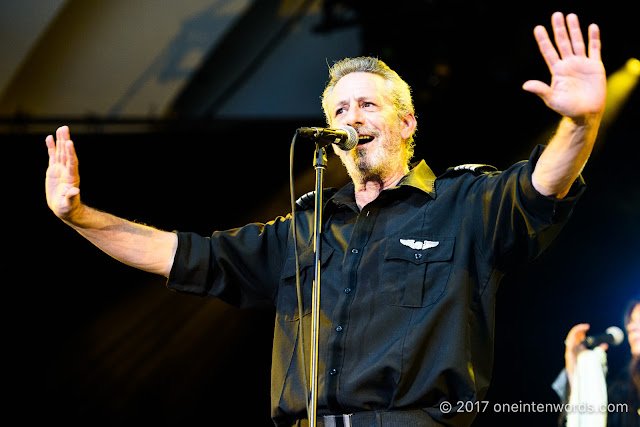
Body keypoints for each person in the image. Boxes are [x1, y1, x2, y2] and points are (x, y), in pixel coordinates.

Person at [45, 12, 606, 427]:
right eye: (339, 110)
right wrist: (79, 217)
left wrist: (581, 124)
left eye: (366, 106)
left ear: (406, 123)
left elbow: (539, 188)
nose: (351, 118)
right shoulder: (305, 226)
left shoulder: (463, 205)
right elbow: (183, 255)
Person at [556, 301, 640, 427]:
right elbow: (588, 412)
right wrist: (575, 363)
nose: (631, 328)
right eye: (631, 322)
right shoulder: (624, 392)